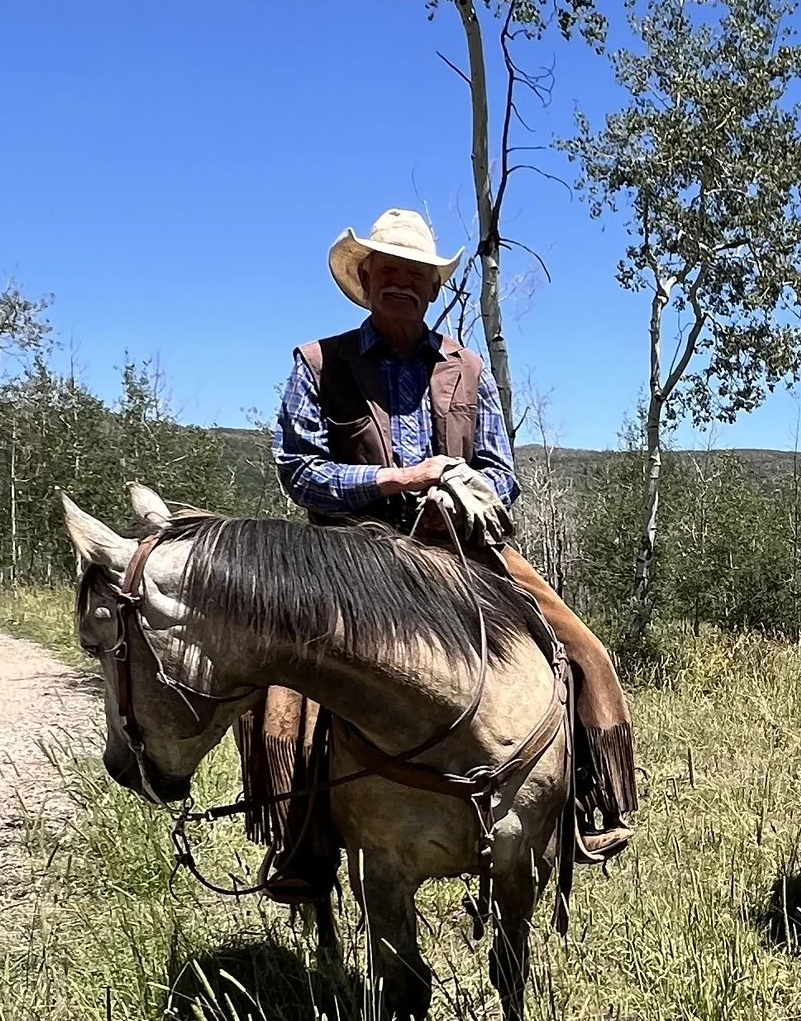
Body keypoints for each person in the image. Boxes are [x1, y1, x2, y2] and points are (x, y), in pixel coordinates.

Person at [258, 207, 637, 881]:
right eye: (388, 271)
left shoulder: (467, 368)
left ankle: (581, 806)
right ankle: (298, 838)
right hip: (353, 559)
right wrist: (396, 480)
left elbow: (502, 472)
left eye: (416, 275)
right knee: (286, 693)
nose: (401, 283)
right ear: (365, 278)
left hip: (463, 551)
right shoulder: (319, 363)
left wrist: (461, 500)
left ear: (433, 288)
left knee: (581, 650)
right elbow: (299, 471)